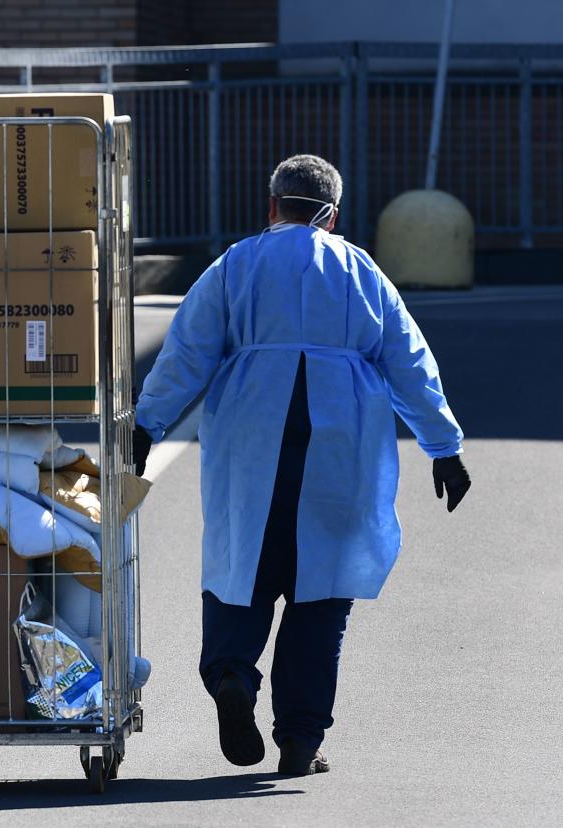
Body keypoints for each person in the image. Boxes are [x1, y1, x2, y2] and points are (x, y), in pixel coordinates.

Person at [131, 154, 471, 776]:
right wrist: (443, 448)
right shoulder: (360, 271)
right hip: (340, 442)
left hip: (251, 435)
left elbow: (187, 350)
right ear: (333, 216)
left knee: (244, 564)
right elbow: (410, 363)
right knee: (322, 589)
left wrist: (147, 424)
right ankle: (300, 738)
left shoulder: (236, 264)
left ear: (272, 206)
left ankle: (233, 673)